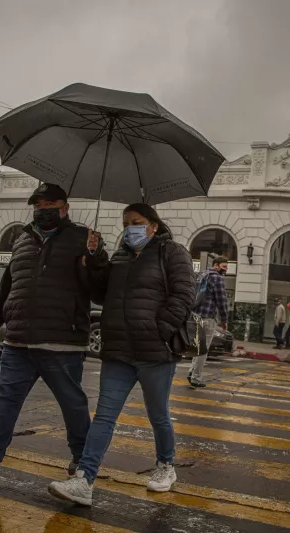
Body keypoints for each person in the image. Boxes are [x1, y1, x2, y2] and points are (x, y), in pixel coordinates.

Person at [0, 183, 106, 491]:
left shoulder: (84, 239)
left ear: (65, 207)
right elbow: (9, 282)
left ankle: (84, 463)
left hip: (61, 340)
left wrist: (95, 257)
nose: (42, 209)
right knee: (4, 402)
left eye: (49, 204)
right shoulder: (22, 238)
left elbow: (99, 290)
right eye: (38, 204)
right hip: (18, 340)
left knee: (72, 405)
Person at [48, 203, 194, 507]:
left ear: (153, 225)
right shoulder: (120, 256)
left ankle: (166, 466)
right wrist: (96, 255)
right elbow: (101, 292)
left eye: (137, 222)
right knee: (104, 416)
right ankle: (84, 480)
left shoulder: (172, 252)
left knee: (158, 415)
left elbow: (183, 295)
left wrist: (161, 329)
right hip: (119, 352)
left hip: (155, 352)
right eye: (126, 223)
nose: (130, 229)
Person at [188, 255, 229, 388]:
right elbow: (222, 301)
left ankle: (191, 372)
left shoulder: (201, 274)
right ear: (216, 265)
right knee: (203, 350)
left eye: (226, 267)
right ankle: (196, 378)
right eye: (223, 267)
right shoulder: (217, 278)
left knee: (197, 347)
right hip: (207, 317)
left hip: (195, 316)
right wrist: (224, 319)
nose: (225, 269)